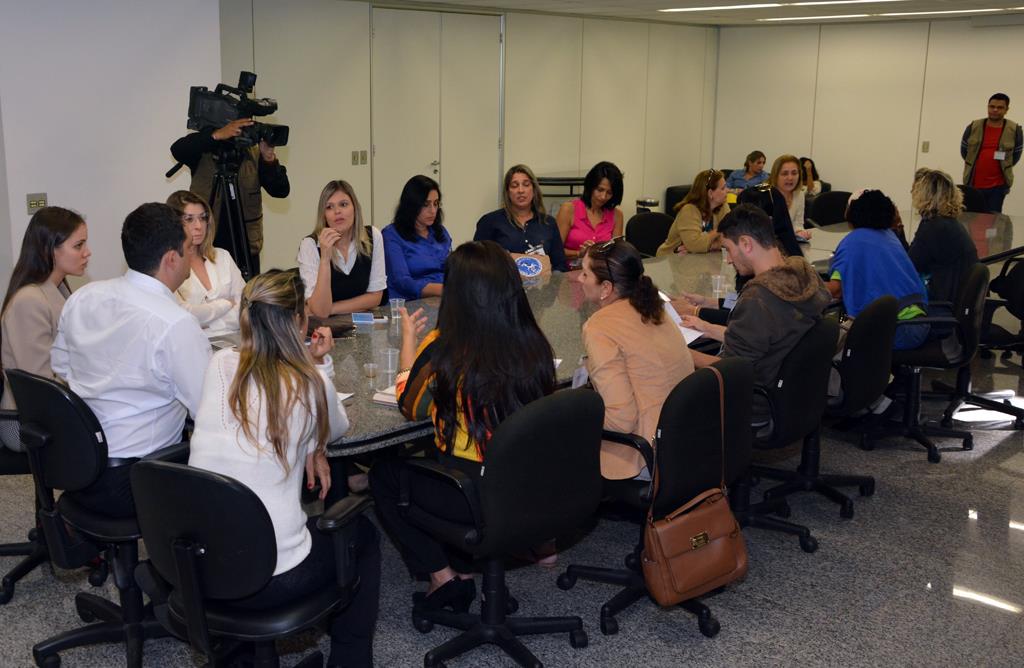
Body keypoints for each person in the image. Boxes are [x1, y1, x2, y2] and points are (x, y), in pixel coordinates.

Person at [188, 269, 379, 668]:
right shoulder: (308, 382)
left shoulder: (220, 364)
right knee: (362, 534)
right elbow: (338, 428)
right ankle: (351, 660)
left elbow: (261, 415)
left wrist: (310, 442)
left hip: (200, 567)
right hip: (272, 578)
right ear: (298, 322)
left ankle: (239, 654)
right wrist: (320, 368)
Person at [369, 241, 557, 609]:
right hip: (529, 485)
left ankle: (444, 577)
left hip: (473, 494)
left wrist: (410, 343)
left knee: (383, 474)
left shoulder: (447, 346)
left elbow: (411, 404)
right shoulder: (533, 341)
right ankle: (501, 551)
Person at [51, 203, 210, 517]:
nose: (191, 255)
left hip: (77, 464)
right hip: (135, 478)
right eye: (188, 249)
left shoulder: (84, 297)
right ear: (171, 259)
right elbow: (207, 408)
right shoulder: (175, 324)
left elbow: (61, 369)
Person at [684, 204, 829, 426]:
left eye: (728, 249)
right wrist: (707, 328)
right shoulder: (802, 274)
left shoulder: (758, 298)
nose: (729, 260)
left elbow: (730, 370)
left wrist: (681, 353)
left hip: (754, 403)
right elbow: (770, 338)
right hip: (794, 395)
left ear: (745, 244)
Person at [579, 239, 695, 480]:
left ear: (606, 288)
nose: (579, 279)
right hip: (686, 438)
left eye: (585, 273)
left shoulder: (599, 326)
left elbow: (621, 421)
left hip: (645, 453)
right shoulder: (653, 305)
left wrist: (578, 416)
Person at [1, 207, 91, 450]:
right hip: (23, 422)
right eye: (78, 245)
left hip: (45, 409)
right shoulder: (30, 300)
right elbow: (38, 383)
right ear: (50, 249)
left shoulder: (57, 290)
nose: (87, 252)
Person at [170, 118, 290, 274]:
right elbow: (178, 149)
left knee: (247, 293)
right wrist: (215, 135)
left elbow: (280, 190)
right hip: (207, 243)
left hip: (246, 245)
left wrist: (268, 158)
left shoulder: (253, 153)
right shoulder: (205, 149)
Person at [826, 190, 930, 350]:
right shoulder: (889, 236)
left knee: (826, 344)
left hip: (895, 329)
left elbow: (836, 290)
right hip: (919, 322)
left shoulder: (852, 242)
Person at [299, 180, 386, 318]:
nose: (337, 211)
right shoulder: (310, 245)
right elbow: (321, 312)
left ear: (355, 208)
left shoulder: (373, 236)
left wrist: (331, 309)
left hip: (363, 324)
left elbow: (375, 297)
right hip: (324, 330)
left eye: (343, 204)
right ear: (324, 215)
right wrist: (325, 259)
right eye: (329, 207)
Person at [166, 190, 245, 337]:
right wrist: (227, 304)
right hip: (192, 344)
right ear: (174, 223)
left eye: (202, 218)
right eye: (189, 219)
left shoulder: (222, 256)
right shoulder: (168, 264)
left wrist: (207, 323)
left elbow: (246, 306)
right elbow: (184, 316)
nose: (199, 226)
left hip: (235, 340)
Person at [474, 164, 567, 271]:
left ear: (534, 189)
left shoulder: (548, 223)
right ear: (507, 192)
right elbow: (476, 264)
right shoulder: (490, 222)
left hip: (543, 287)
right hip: (503, 286)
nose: (521, 190)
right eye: (514, 185)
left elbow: (560, 265)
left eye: (526, 184)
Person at [908, 169, 978, 304]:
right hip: (958, 296)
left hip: (943, 300)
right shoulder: (948, 222)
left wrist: (896, 230)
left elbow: (909, 266)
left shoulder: (934, 227)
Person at [382, 175, 451, 301]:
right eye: (426, 204)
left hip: (444, 298)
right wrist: (446, 290)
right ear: (411, 206)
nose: (433, 211)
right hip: (409, 302)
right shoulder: (391, 235)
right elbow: (403, 282)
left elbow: (452, 270)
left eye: (436, 204)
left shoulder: (440, 232)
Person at [961, 93, 1022, 213]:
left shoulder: (1014, 130)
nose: (995, 110)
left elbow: (1015, 156)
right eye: (992, 106)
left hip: (997, 188)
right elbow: (964, 152)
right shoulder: (973, 126)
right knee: (971, 220)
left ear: (1006, 110)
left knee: (993, 225)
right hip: (973, 185)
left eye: (1000, 107)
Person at [556, 161, 625, 261]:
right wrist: (579, 253)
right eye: (600, 190)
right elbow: (555, 251)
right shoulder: (569, 209)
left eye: (609, 193)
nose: (603, 197)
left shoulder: (617, 215)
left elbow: (616, 254)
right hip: (571, 271)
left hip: (601, 272)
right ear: (590, 186)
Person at [656, 169, 731, 256]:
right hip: (670, 261)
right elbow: (695, 245)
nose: (728, 190)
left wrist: (709, 246)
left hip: (700, 260)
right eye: (723, 188)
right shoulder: (689, 210)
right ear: (710, 193)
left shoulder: (722, 206)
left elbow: (731, 238)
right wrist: (720, 229)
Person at [769, 154, 812, 240]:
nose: (790, 178)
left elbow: (798, 224)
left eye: (794, 173)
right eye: (784, 174)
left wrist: (800, 233)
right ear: (775, 176)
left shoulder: (799, 194)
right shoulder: (766, 195)